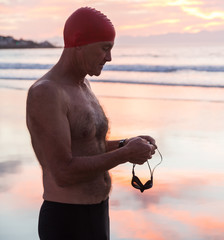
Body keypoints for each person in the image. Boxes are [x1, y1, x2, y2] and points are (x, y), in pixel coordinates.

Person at [26, 7, 156, 240]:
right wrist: (126, 154)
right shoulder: (47, 93)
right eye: (104, 48)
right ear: (78, 43)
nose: (109, 58)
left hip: (97, 212)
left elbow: (88, 146)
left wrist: (127, 144)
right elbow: (63, 173)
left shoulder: (83, 85)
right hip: (67, 219)